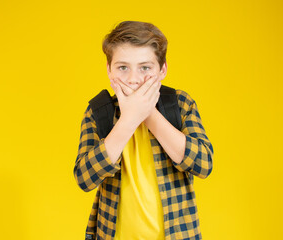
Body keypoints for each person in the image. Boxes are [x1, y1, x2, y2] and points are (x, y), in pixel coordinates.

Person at [73, 20, 214, 240]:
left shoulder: (180, 104)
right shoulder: (98, 112)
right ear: (109, 70)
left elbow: (203, 164)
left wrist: (147, 112)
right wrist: (128, 119)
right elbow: (85, 178)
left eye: (145, 68)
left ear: (162, 70)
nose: (134, 79)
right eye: (122, 67)